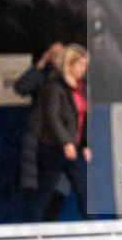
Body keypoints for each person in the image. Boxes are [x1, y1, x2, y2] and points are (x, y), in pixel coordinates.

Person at [29, 43, 94, 221]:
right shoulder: (54, 86)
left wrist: (86, 144)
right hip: (53, 148)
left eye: (85, 65)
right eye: (80, 64)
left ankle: (95, 230)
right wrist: (66, 142)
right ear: (69, 64)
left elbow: (86, 116)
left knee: (83, 189)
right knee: (45, 191)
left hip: (75, 147)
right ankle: (33, 231)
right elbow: (53, 117)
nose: (83, 69)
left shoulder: (83, 87)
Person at [14, 41, 68, 219]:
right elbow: (21, 87)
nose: (58, 57)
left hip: (61, 145)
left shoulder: (71, 79)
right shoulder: (42, 77)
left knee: (57, 193)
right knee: (37, 197)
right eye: (54, 54)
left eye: (61, 54)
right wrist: (42, 62)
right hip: (40, 144)